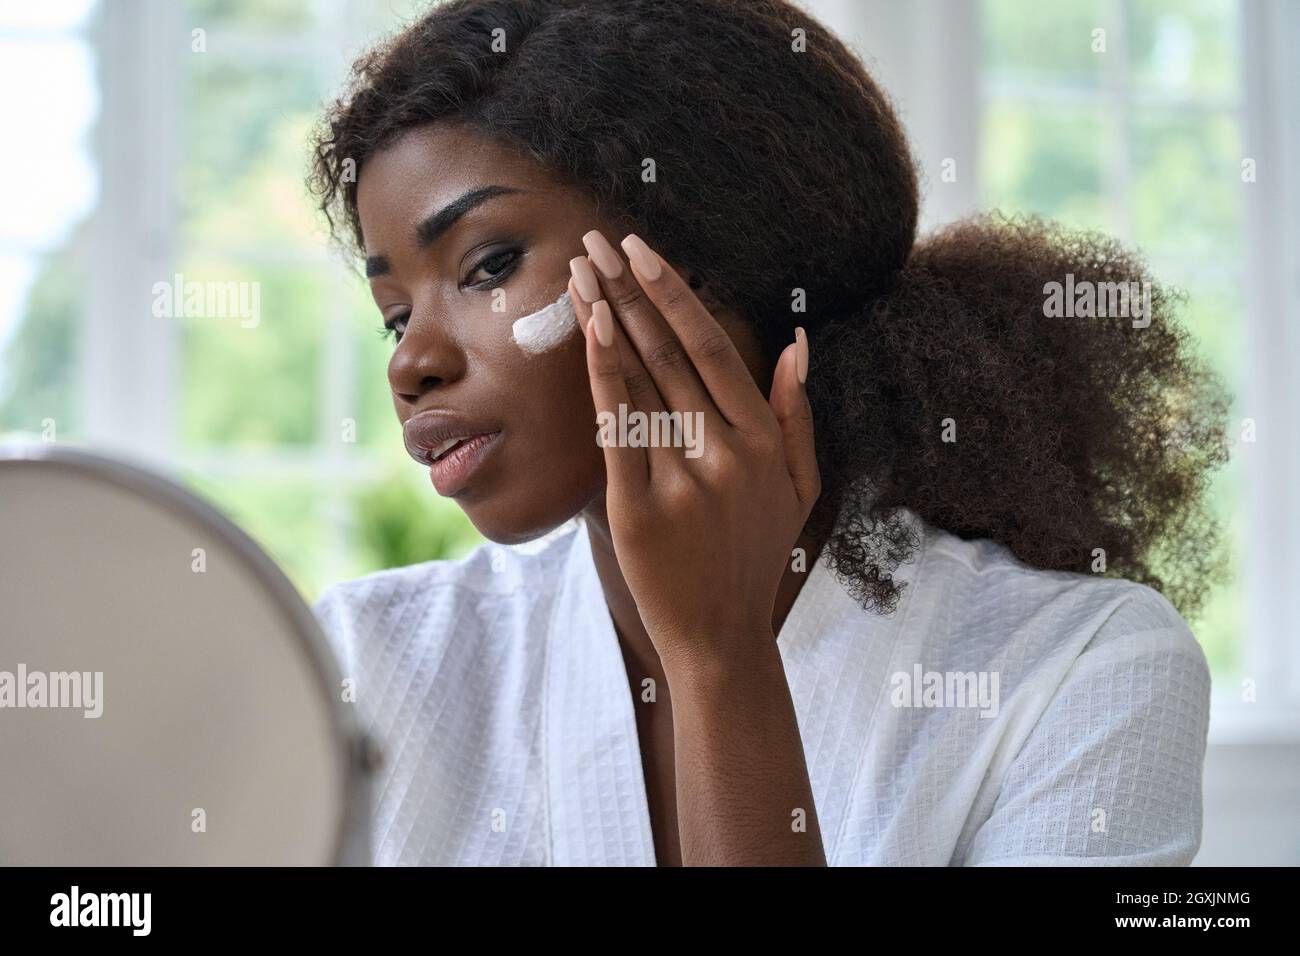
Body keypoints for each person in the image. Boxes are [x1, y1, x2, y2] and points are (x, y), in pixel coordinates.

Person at [307, 0, 1229, 866]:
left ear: (714, 258)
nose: (410, 364)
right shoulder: (357, 666)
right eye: (393, 314)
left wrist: (717, 657)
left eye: (488, 265)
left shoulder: (1080, 671)